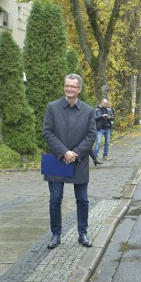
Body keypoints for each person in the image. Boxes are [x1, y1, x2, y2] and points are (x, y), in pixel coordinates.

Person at [43, 74, 98, 250]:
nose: (69, 89)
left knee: (82, 199)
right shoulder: (52, 108)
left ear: (79, 89)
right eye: (67, 86)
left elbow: (91, 135)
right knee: (55, 199)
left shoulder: (88, 111)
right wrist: (64, 152)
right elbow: (48, 132)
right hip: (58, 160)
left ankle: (83, 233)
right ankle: (56, 234)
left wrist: (75, 153)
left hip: (78, 161)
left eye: (73, 87)